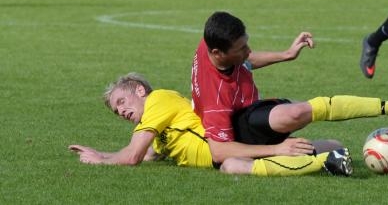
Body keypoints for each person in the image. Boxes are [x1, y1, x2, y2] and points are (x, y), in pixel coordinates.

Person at [190, 11, 388, 165]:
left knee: (336, 146)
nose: (248, 50)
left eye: (246, 43)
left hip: (252, 115)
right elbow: (219, 152)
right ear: (217, 52)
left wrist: (286, 54)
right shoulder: (215, 101)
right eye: (241, 48)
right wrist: (276, 150)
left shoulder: (210, 42)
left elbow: (246, 61)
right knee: (297, 114)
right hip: (241, 130)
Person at [68, 73, 353, 177]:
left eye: (121, 101)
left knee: (234, 167)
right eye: (116, 110)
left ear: (139, 90)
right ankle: (335, 152)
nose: (120, 111)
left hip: (230, 147)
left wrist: (99, 163)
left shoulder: (157, 101)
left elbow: (132, 158)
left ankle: (325, 162)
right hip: (230, 149)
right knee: (323, 147)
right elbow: (146, 154)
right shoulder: (157, 127)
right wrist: (101, 153)